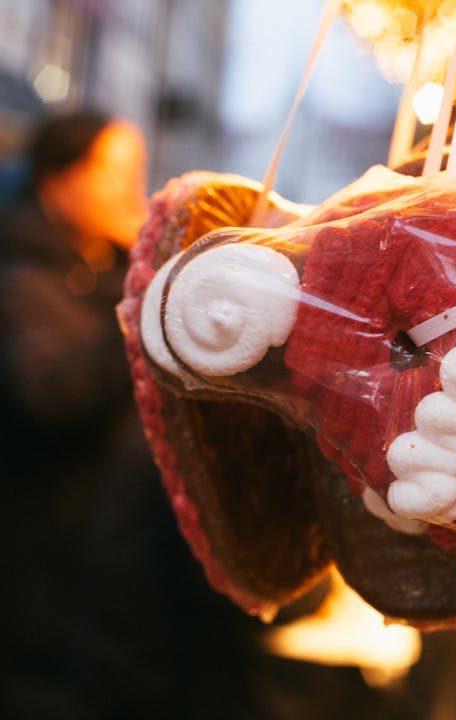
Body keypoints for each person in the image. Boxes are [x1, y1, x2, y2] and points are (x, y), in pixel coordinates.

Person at [0, 110, 275, 719]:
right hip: (49, 569)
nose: (134, 188)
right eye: (116, 172)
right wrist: (148, 301)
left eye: (138, 170)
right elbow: (51, 392)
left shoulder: (104, 262)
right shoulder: (21, 273)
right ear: (60, 182)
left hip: (112, 562)